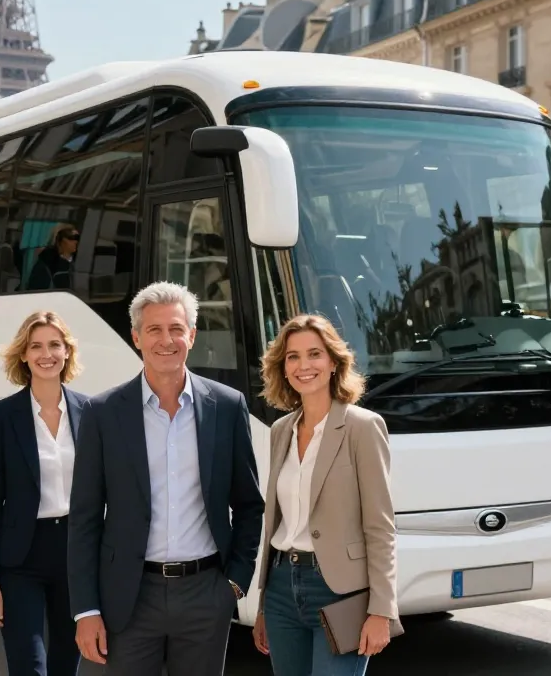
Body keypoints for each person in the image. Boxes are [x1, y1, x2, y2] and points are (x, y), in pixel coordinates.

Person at [67, 281, 265, 675]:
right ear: (136, 338)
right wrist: (86, 610)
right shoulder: (102, 412)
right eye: (154, 330)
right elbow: (85, 518)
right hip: (129, 595)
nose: (166, 340)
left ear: (192, 335)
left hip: (206, 594)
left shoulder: (227, 407)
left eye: (176, 329)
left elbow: (248, 504)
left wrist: (235, 584)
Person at [251, 313, 398, 676]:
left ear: (334, 362)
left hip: (339, 592)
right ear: (283, 368)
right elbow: (276, 522)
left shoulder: (363, 428)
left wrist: (382, 610)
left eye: (314, 354)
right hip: (282, 588)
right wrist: (264, 605)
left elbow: (380, 527)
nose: (304, 366)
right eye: (293, 357)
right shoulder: (280, 430)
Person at [0, 310, 88, 676]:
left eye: (55, 345)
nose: (46, 354)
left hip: (75, 554)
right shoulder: (2, 415)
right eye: (36, 346)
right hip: (20, 558)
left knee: (65, 664)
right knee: (28, 665)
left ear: (67, 351)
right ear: (23, 355)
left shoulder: (89, 411)